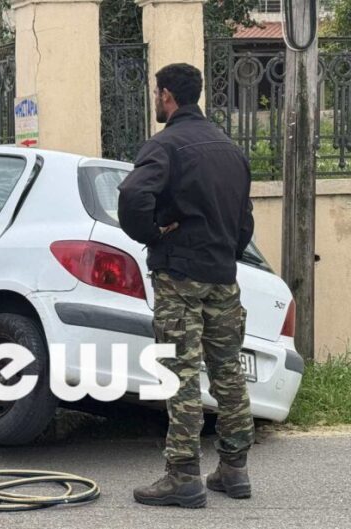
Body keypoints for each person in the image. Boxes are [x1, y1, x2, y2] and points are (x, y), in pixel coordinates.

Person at [117, 63, 255, 508]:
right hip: (222, 276)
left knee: (180, 375)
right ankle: (234, 470)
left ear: (167, 95)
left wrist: (154, 235)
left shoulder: (166, 145)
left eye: (157, 93)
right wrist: (226, 250)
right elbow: (244, 219)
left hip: (179, 275)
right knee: (228, 370)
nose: (156, 100)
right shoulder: (230, 149)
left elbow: (132, 196)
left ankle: (183, 475)